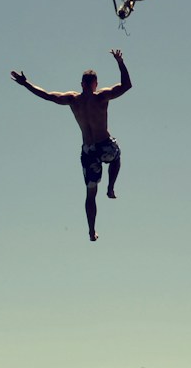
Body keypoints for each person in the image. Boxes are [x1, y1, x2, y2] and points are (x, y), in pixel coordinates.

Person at [10, 49, 131, 241]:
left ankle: (92, 231)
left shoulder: (73, 99)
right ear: (95, 84)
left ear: (82, 84)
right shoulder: (102, 97)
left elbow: (48, 95)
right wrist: (120, 62)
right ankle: (111, 188)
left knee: (90, 193)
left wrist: (26, 84)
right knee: (116, 155)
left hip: (89, 150)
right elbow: (126, 85)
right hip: (103, 145)